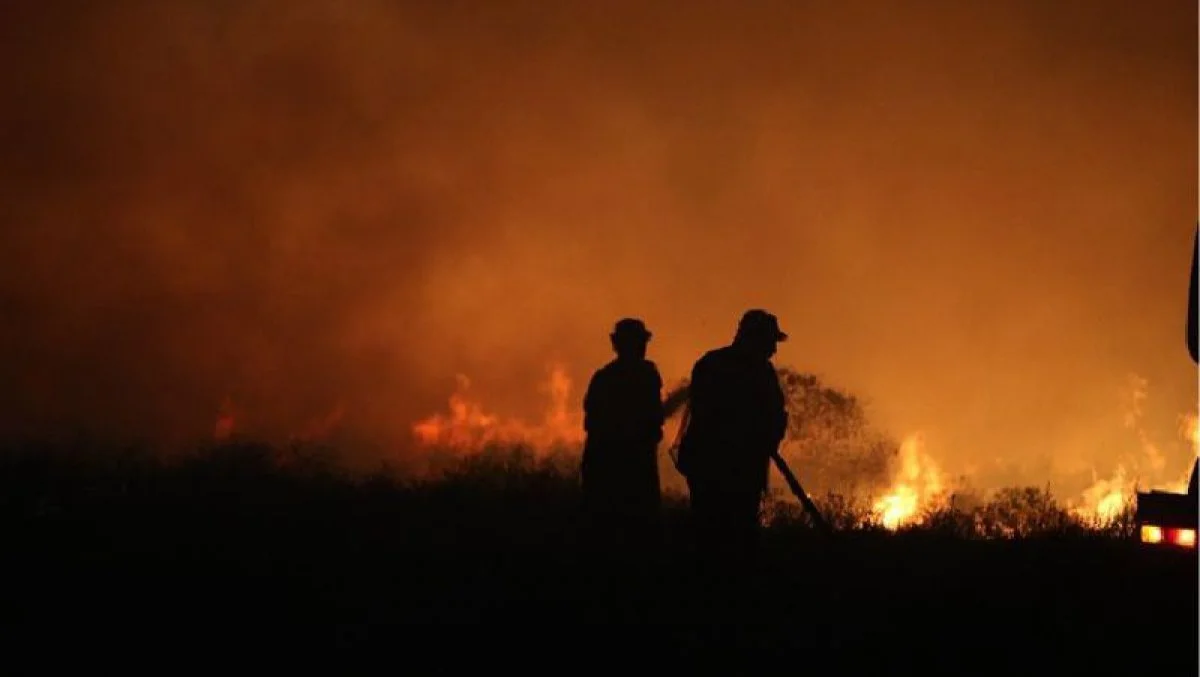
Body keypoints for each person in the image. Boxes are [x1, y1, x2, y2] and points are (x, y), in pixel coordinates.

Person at [675, 309, 789, 572]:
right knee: (737, 537)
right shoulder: (760, 372)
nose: (773, 349)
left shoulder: (710, 363)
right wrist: (766, 437)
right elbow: (774, 416)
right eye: (771, 341)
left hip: (705, 466)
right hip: (738, 470)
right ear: (757, 339)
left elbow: (701, 410)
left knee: (707, 534)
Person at [579, 318, 666, 555]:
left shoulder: (603, 377)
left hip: (602, 466)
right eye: (640, 342)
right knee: (637, 534)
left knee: (604, 534)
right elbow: (653, 419)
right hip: (634, 468)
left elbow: (591, 421)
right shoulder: (647, 375)